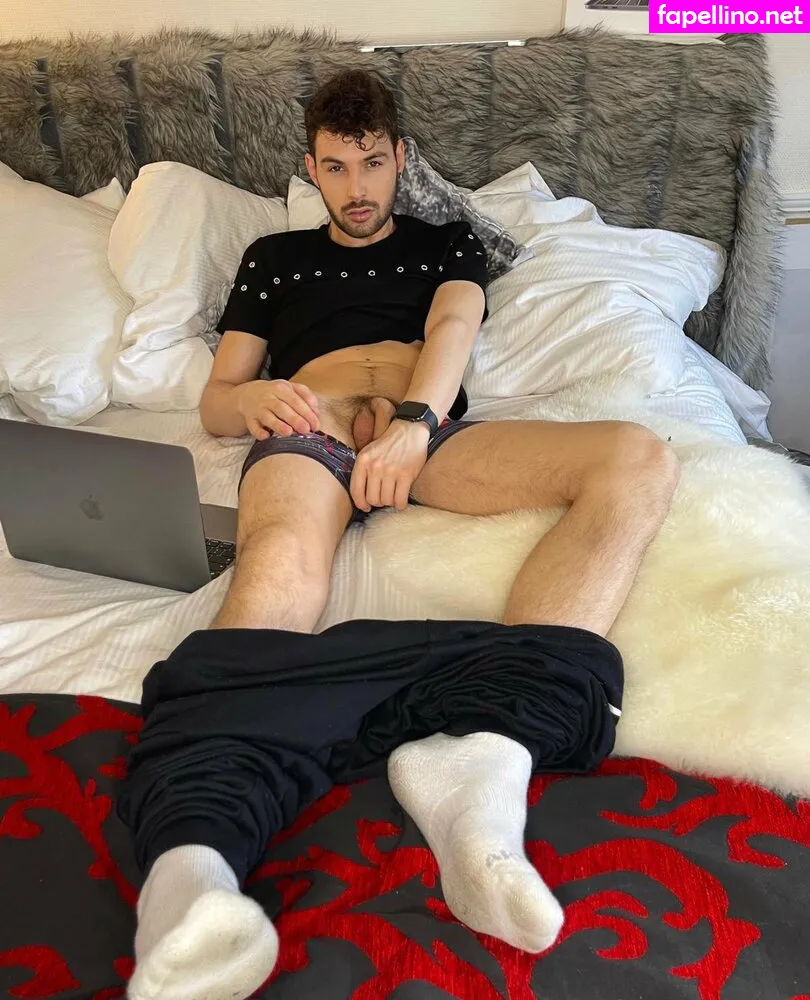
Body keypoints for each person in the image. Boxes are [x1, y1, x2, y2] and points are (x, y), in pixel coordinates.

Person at [117, 69, 678, 1000]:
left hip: (425, 432)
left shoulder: (446, 240)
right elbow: (219, 397)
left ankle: (484, 757)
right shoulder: (273, 257)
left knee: (638, 460)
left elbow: (454, 323)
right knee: (276, 571)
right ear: (311, 168)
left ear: (401, 158)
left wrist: (417, 423)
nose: (357, 186)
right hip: (314, 424)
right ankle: (191, 867)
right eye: (336, 167)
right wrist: (251, 401)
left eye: (373, 163)